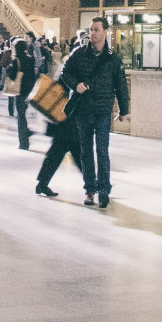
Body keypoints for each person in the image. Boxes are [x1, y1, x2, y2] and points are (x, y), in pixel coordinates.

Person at [60, 15, 129, 208]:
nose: (93, 33)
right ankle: (90, 189)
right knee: (86, 151)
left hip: (103, 110)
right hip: (83, 109)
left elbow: (121, 85)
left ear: (105, 32)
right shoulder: (79, 54)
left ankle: (104, 189)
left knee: (102, 150)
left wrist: (124, 110)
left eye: (97, 30)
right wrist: (76, 84)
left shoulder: (113, 59)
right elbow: (66, 73)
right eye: (91, 30)